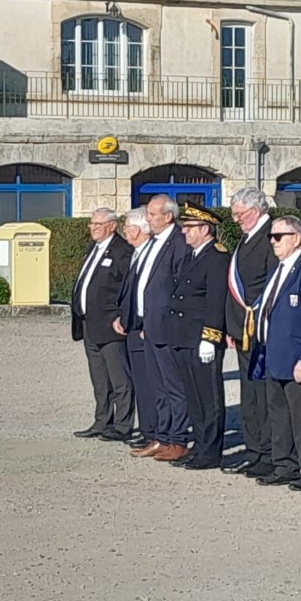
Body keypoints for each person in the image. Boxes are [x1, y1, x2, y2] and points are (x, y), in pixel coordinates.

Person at [252, 215, 301, 491]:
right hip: (274, 354)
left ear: (296, 238)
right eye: (271, 237)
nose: (273, 242)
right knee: (279, 415)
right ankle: (284, 463)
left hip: (298, 357)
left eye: (278, 236)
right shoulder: (279, 268)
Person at [167, 203, 230, 470]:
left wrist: (211, 336)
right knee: (193, 395)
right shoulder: (192, 256)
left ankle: (211, 451)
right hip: (184, 335)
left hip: (202, 337)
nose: (184, 233)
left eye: (190, 228)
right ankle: (200, 445)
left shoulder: (216, 257)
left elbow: (216, 300)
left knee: (209, 396)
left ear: (205, 229)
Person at [131, 195, 193, 462]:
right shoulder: (154, 242)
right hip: (150, 325)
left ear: (168, 216)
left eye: (153, 214)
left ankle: (178, 439)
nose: (149, 219)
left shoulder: (178, 242)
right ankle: (162, 436)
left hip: (167, 326)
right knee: (158, 386)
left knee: (173, 386)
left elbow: (180, 287)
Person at [223, 188, 278, 477]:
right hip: (244, 327)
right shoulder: (248, 236)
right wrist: (232, 326)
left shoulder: (272, 235)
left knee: (263, 395)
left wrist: (255, 321)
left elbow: (269, 285)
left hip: (262, 327)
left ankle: (267, 452)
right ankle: (254, 450)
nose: (235, 220)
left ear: (255, 211)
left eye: (239, 214)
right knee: (249, 394)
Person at [71, 208, 135, 440]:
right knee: (99, 378)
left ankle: (123, 425)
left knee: (119, 378)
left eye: (98, 224)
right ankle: (102, 421)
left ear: (112, 225)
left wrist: (121, 316)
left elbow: (127, 288)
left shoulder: (122, 251)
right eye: (91, 224)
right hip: (89, 323)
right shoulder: (93, 249)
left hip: (110, 324)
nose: (93, 228)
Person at [114, 207, 155, 448]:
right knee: (140, 382)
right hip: (133, 326)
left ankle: (154, 431)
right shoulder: (136, 253)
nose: (125, 231)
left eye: (127, 227)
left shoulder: (147, 253)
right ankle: (148, 429)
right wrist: (123, 317)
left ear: (137, 230)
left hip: (145, 327)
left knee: (148, 383)